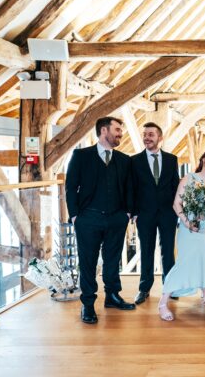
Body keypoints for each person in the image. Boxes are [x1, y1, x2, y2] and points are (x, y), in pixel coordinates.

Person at [66, 117, 135, 324]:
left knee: (113, 260)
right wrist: (75, 215)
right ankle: (87, 304)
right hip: (88, 218)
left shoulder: (124, 160)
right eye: (117, 130)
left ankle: (112, 296)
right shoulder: (81, 156)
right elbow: (70, 186)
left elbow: (129, 188)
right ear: (103, 130)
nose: (120, 134)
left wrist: (128, 213)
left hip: (116, 217)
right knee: (87, 262)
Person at [158, 150, 205, 321]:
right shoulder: (188, 178)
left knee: (204, 240)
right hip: (189, 224)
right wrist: (186, 222)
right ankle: (163, 302)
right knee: (186, 256)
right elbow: (177, 204)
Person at [131, 122, 179, 305]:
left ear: (160, 138)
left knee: (168, 251)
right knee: (146, 251)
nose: (147, 138)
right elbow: (132, 188)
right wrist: (134, 212)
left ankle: (170, 286)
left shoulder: (171, 159)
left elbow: (175, 186)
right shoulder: (135, 161)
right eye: (145, 134)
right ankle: (144, 289)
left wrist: (178, 211)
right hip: (144, 214)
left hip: (168, 213)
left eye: (151, 134)